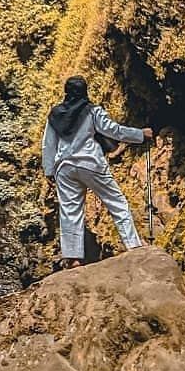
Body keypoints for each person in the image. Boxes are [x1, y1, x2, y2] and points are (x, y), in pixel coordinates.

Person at [42, 75, 153, 269]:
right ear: (84, 91)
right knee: (116, 202)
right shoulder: (92, 112)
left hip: (65, 168)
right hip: (91, 163)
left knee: (70, 211)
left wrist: (49, 170)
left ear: (66, 92)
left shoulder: (55, 115)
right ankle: (133, 245)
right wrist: (140, 135)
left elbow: (48, 144)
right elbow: (114, 131)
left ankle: (73, 258)